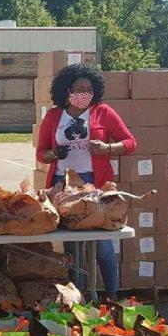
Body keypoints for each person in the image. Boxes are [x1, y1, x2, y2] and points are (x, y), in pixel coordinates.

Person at [36, 64, 137, 301]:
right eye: (79, 88)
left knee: (103, 243)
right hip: (64, 185)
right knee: (73, 246)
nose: (84, 93)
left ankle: (112, 298)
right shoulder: (53, 116)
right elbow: (41, 153)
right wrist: (53, 154)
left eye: (89, 89)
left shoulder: (103, 112)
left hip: (95, 185)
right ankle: (78, 299)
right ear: (67, 89)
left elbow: (131, 143)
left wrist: (107, 148)